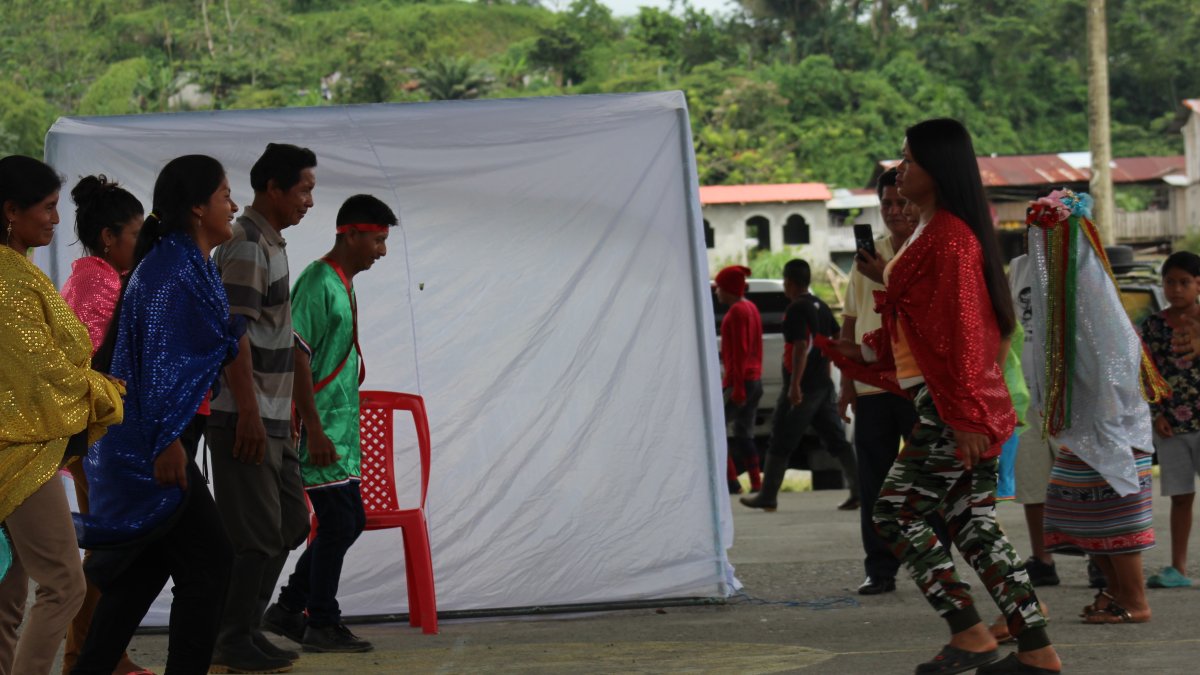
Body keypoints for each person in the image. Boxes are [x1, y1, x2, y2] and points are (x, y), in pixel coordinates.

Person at [831, 119, 1061, 674]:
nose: (899, 170)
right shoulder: (935, 232)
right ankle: (1036, 651)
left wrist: (963, 414)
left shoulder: (949, 236)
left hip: (955, 404)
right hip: (953, 401)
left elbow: (965, 334)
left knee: (894, 513)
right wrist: (872, 350)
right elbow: (931, 324)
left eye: (909, 159)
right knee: (974, 524)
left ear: (938, 168)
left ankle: (971, 633)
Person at [70, 155, 242, 674]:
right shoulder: (170, 269)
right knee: (210, 563)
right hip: (153, 440)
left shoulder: (183, 262)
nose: (234, 205)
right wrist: (169, 442)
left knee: (142, 572)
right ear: (197, 207)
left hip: (152, 436)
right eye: (225, 195)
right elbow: (157, 366)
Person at [0, 155, 123, 675]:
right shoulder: (9, 281)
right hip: (21, 452)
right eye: (47, 207)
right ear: (11, 211)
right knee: (65, 585)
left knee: (9, 597)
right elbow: (38, 374)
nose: (55, 219)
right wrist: (107, 392)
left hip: (26, 444)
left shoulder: (20, 272)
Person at [262, 195, 397, 653]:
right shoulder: (317, 281)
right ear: (351, 234)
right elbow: (296, 353)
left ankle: (288, 608)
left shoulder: (343, 283)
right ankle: (319, 621)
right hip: (318, 429)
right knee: (340, 521)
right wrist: (314, 429)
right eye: (377, 240)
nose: (382, 251)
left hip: (340, 430)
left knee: (349, 520)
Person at [1025, 189, 1165, 628]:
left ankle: (1135, 599)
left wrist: (1106, 427)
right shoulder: (1059, 294)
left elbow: (1114, 365)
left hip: (1110, 426)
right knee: (1074, 510)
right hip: (1084, 426)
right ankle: (1116, 590)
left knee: (1117, 516)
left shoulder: (1091, 287)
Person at [208, 143, 317, 672]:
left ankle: (245, 629)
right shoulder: (247, 243)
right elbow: (234, 335)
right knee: (253, 537)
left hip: (272, 413)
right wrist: (248, 412)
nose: (309, 201)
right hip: (244, 413)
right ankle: (231, 637)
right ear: (273, 189)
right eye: (304, 190)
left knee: (290, 522)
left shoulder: (271, 242)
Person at [58, 174, 147, 675]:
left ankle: (100, 653)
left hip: (94, 432)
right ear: (109, 236)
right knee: (111, 547)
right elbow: (87, 363)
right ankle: (88, 656)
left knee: (110, 546)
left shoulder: (95, 275)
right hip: (99, 435)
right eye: (135, 233)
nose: (142, 242)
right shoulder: (100, 281)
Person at [837, 168, 923, 595]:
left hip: (918, 383)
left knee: (927, 479)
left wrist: (884, 274)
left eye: (901, 202)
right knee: (874, 481)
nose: (894, 211)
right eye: (886, 203)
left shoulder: (928, 251)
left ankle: (934, 564)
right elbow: (850, 323)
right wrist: (846, 383)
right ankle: (880, 568)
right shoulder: (865, 259)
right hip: (872, 386)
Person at [740, 259, 859, 512]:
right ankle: (860, 491)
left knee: (781, 438)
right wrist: (827, 365)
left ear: (790, 283)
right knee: (836, 439)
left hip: (803, 388)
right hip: (822, 385)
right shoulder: (821, 306)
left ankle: (768, 495)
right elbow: (836, 338)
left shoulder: (796, 309)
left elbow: (801, 346)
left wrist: (794, 385)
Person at [1141, 250, 1200, 589]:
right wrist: (1156, 413)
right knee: (1180, 497)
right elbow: (1147, 374)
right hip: (1172, 425)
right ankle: (1178, 568)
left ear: (1198, 284)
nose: (1176, 289)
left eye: (1184, 282)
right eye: (1170, 282)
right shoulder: (1153, 326)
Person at [714, 265, 764, 495]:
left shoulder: (736, 312)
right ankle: (756, 483)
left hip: (739, 382)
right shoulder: (751, 308)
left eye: (719, 287)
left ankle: (732, 483)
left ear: (729, 289)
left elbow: (740, 351)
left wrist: (738, 388)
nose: (717, 292)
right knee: (744, 433)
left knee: (715, 429)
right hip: (754, 380)